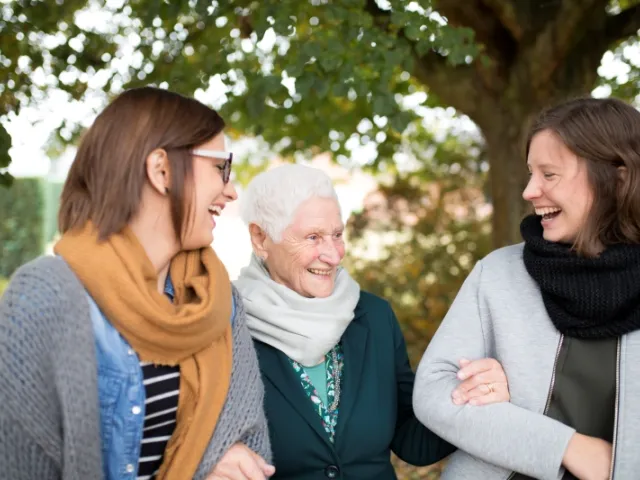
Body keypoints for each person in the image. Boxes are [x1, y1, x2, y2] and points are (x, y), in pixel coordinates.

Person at [0, 87, 273, 480]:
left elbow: (252, 450)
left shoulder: (217, 299)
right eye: (220, 168)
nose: (231, 191)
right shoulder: (45, 298)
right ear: (162, 170)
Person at [233, 164, 512, 480]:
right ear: (260, 238)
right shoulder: (226, 328)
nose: (334, 255)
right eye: (313, 237)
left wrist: (470, 397)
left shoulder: (374, 317)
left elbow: (412, 440)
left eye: (337, 235)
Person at [413, 97, 640, 480]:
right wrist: (567, 447)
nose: (529, 191)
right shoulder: (498, 273)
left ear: (617, 179)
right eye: (531, 173)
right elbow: (434, 390)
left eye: (549, 175)